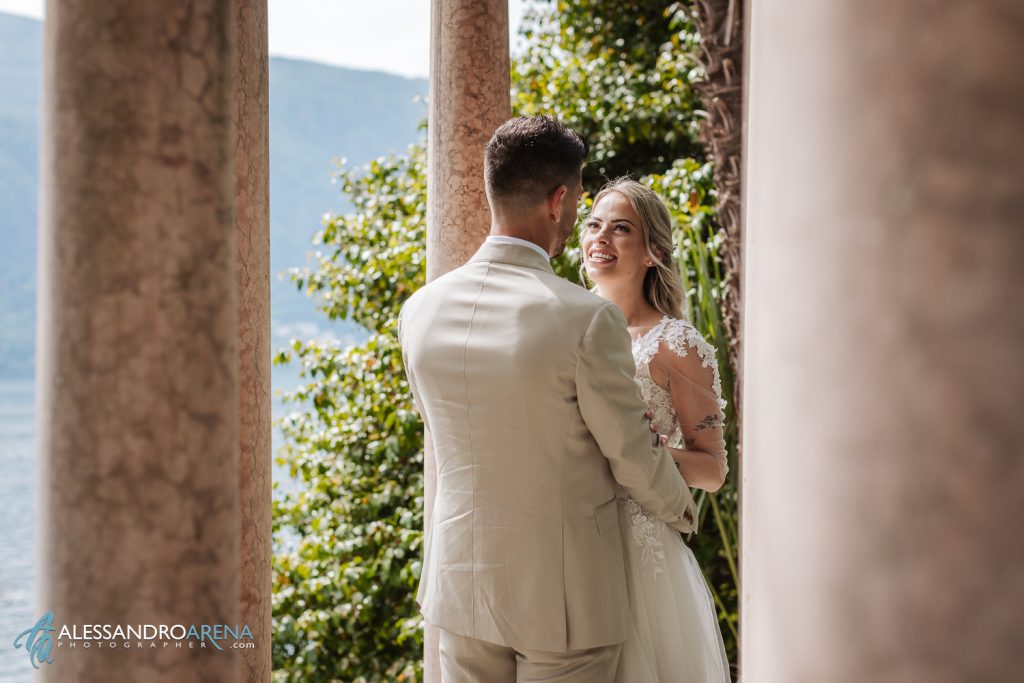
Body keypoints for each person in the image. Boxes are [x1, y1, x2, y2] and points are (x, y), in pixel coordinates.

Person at [398, 116, 698, 682]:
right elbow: (632, 454)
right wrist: (679, 510)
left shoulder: (420, 311)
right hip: (565, 605)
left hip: (458, 590)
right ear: (559, 200)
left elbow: (449, 433)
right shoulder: (585, 319)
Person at [580, 177, 732, 682]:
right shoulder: (565, 327)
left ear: (652, 254)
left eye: (620, 229)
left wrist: (646, 450)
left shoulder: (674, 343)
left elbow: (712, 470)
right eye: (594, 224)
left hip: (641, 552)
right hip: (572, 539)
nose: (600, 237)